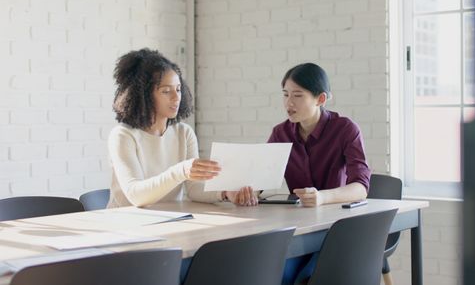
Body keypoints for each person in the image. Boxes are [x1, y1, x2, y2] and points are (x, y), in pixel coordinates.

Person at [106, 48, 257, 209]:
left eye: (178, 89)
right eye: (166, 91)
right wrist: (181, 171)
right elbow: (136, 195)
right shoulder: (123, 135)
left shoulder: (184, 133)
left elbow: (194, 189)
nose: (176, 97)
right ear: (143, 95)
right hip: (124, 223)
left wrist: (225, 193)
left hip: (168, 220)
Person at [267, 62, 372, 284]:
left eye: (297, 95)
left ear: (321, 99)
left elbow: (361, 188)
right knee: (276, 274)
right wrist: (245, 189)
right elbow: (262, 177)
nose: (289, 103)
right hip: (300, 229)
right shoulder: (280, 133)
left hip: (337, 231)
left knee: (310, 277)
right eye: (285, 95)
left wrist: (323, 197)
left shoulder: (345, 129)